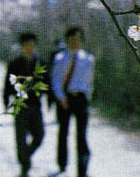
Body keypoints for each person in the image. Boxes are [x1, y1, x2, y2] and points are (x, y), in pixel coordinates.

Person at [52, 27, 94, 177]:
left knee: (81, 134)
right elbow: (56, 80)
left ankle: (82, 170)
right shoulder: (60, 58)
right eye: (72, 39)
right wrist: (61, 98)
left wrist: (88, 98)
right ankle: (62, 163)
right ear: (67, 40)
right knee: (63, 132)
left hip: (81, 98)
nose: (75, 42)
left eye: (77, 39)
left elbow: (90, 81)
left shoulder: (88, 59)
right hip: (65, 97)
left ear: (81, 40)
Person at [3, 32, 46, 177]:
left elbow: (47, 83)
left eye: (31, 45)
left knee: (39, 136)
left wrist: (51, 100)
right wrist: (6, 102)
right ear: (21, 47)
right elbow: (7, 85)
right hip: (20, 105)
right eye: (26, 45)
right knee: (21, 139)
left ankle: (25, 157)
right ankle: (25, 167)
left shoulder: (41, 63)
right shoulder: (14, 64)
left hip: (35, 105)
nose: (29, 48)